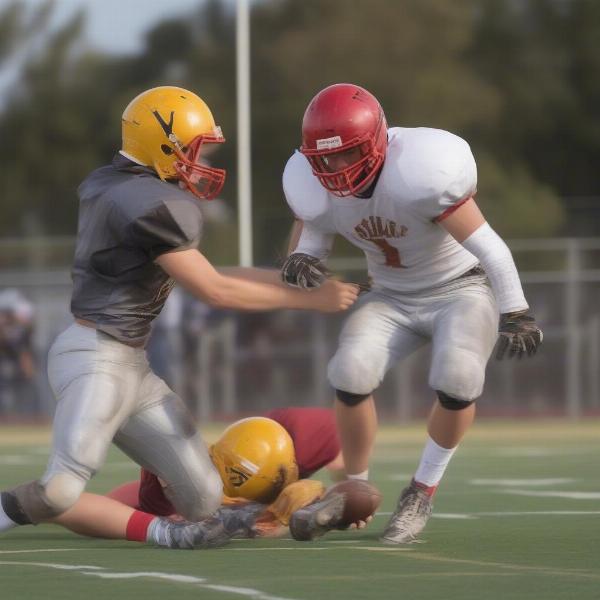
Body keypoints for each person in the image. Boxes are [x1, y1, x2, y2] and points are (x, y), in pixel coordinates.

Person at [0, 86, 359, 542]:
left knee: (203, 497)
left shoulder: (127, 189)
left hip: (131, 366)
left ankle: (189, 524)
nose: (203, 164)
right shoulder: (146, 204)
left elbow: (211, 273)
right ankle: (159, 534)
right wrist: (311, 302)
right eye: (195, 150)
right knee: (59, 489)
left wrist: (285, 279)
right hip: (94, 357)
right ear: (163, 147)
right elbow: (215, 291)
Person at [280, 83, 543, 543]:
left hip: (459, 289)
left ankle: (421, 490)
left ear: (378, 142)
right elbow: (318, 233)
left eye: (348, 154)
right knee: (349, 371)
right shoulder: (313, 184)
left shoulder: (421, 171)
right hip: (392, 296)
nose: (337, 169)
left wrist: (515, 309)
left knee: (459, 377)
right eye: (326, 158)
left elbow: (489, 246)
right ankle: (353, 486)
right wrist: (303, 255)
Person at [47, 408, 345, 547]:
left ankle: (43, 503)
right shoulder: (173, 478)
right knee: (133, 513)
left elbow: (348, 455)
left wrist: (349, 497)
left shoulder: (309, 435)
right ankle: (39, 504)